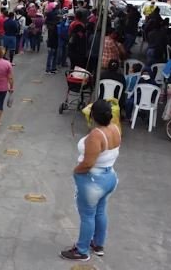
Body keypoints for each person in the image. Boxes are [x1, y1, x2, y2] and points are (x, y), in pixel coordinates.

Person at [61, 100, 120, 261]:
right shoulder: (115, 128)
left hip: (93, 179)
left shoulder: (96, 135)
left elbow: (88, 163)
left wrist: (76, 171)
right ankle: (98, 244)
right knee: (100, 211)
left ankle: (82, 250)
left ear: (93, 115)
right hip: (110, 176)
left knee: (87, 215)